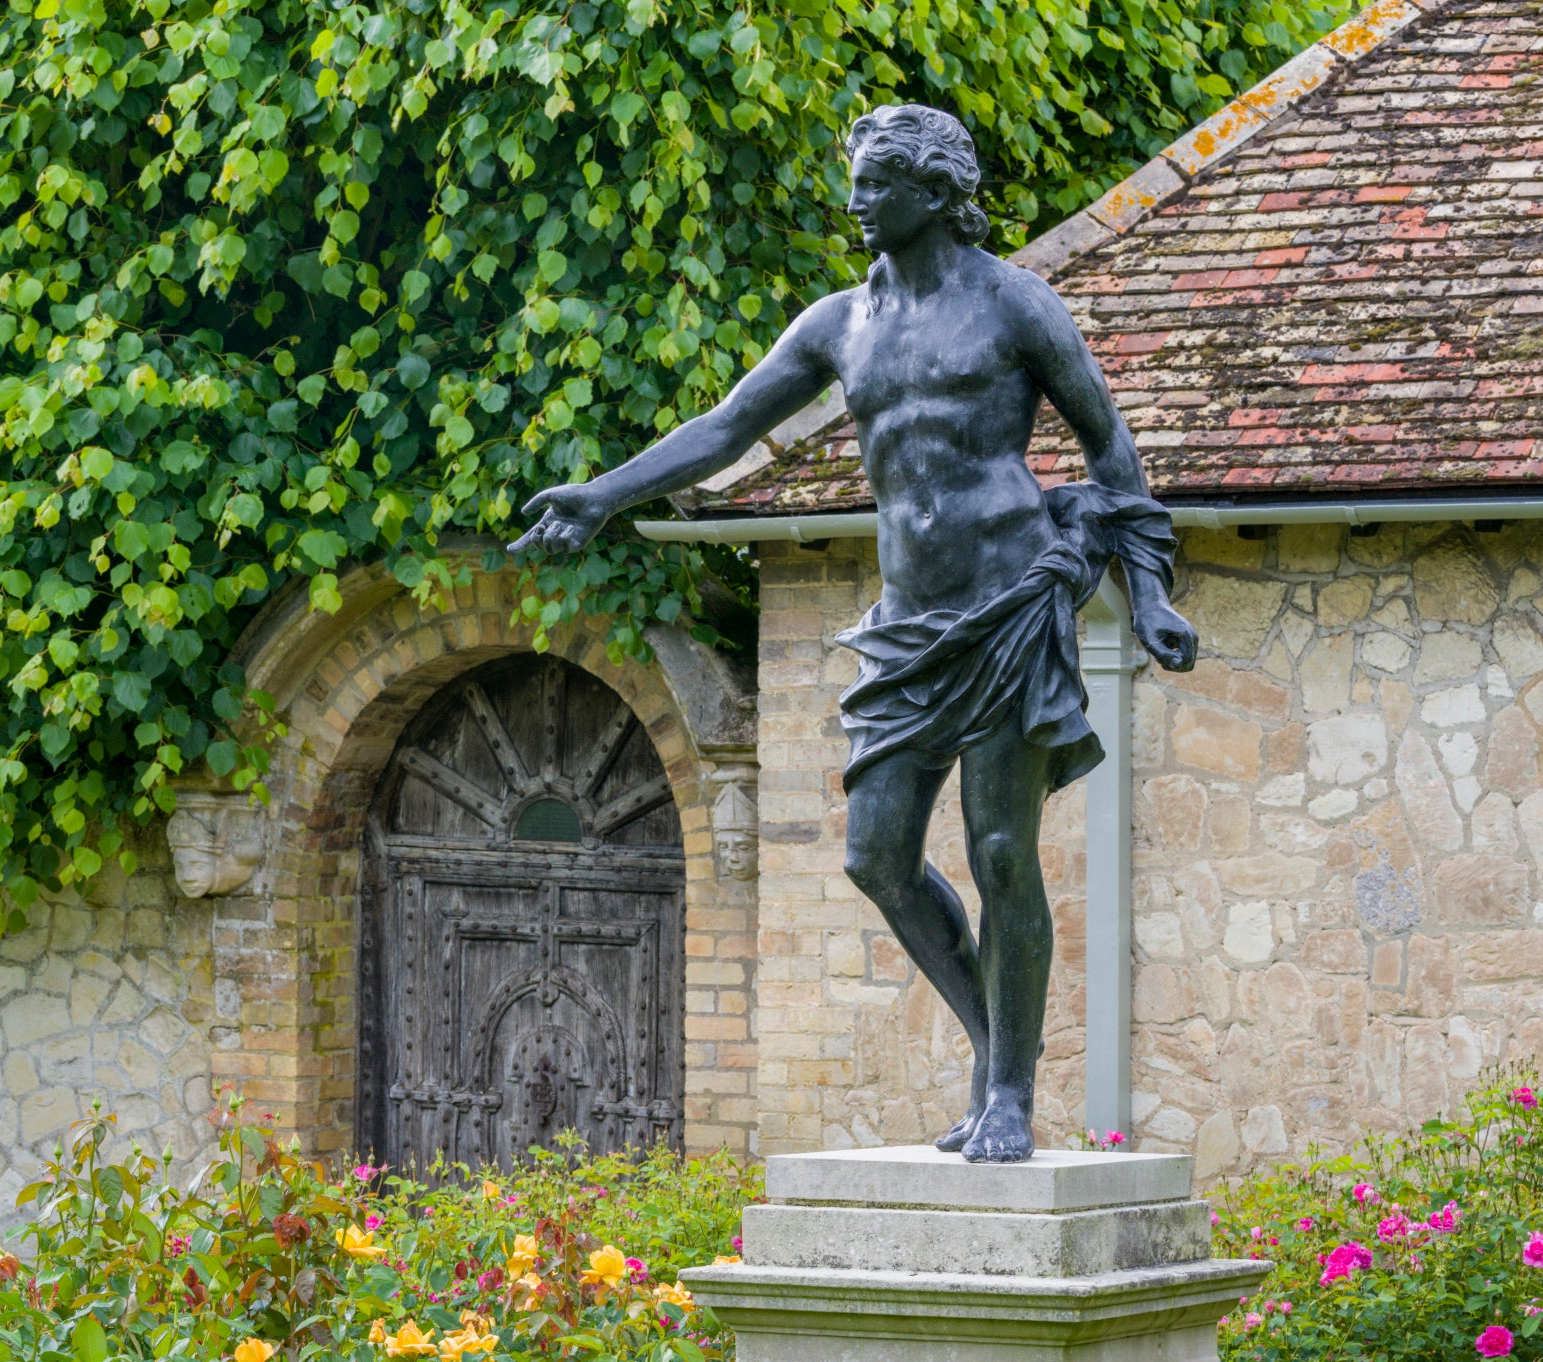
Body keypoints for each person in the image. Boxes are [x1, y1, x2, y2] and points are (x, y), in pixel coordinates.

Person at [507, 104, 1196, 1162]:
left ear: (932, 190)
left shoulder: (1016, 307)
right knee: (876, 858)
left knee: (1003, 851)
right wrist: (603, 493)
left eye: (875, 181)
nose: (854, 198)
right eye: (857, 180)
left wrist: (1147, 595)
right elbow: (727, 427)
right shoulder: (840, 323)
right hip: (908, 628)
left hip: (1011, 609)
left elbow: (1110, 452)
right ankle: (990, 1043)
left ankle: (1008, 1089)